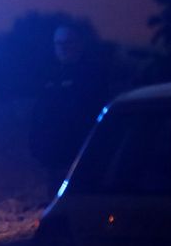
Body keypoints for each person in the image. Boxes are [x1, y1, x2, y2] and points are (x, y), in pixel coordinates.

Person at [28, 24, 110, 200]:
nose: (63, 48)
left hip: (82, 155)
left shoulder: (92, 75)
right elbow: (40, 114)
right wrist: (37, 144)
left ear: (79, 44)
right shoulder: (50, 76)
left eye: (68, 43)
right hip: (55, 156)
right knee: (56, 202)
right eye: (58, 43)